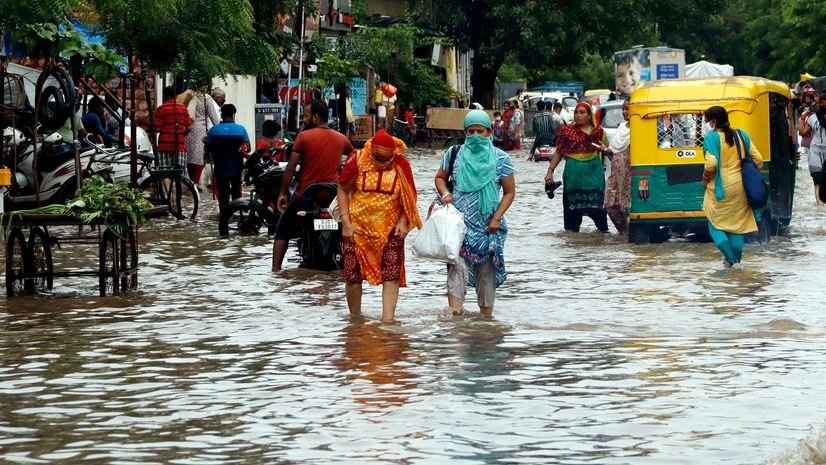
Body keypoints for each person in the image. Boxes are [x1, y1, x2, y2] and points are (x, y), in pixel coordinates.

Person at [434, 110, 516, 318]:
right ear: (465, 132)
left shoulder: (501, 159)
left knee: (486, 274)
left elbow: (509, 192)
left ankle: (485, 321)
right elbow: (440, 178)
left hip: (489, 225)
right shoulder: (454, 153)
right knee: (456, 268)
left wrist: (497, 217)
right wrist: (444, 194)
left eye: (480, 131)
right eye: (470, 132)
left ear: (489, 131)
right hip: (458, 224)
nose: (475, 136)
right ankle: (454, 318)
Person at [336, 129, 422, 322]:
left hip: (390, 229)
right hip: (357, 229)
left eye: (386, 160)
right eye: (378, 159)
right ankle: (355, 320)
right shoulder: (357, 160)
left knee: (391, 275)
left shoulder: (401, 164)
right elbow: (342, 189)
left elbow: (409, 196)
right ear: (371, 151)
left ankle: (388, 321)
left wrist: (403, 221)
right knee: (352, 276)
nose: (382, 164)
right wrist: (346, 223)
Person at [272, 99, 354, 272]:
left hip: (306, 196)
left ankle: (276, 271)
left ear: (316, 117)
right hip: (334, 196)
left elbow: (291, 167)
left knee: (283, 230)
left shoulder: (303, 137)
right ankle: (352, 268)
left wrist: (282, 194)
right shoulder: (342, 139)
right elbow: (355, 162)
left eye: (307, 116)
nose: (304, 119)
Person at [701, 105, 764, 267]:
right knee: (737, 226)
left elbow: (711, 164)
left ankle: (731, 259)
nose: (705, 124)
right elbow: (758, 160)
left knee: (715, 223)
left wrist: (705, 178)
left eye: (706, 121)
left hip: (720, 188)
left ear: (714, 122)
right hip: (741, 188)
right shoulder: (742, 135)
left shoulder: (711, 139)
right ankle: (734, 265)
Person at [545, 102, 609, 233]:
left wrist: (606, 150)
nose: (578, 115)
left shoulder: (599, 132)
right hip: (574, 176)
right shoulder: (567, 131)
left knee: (597, 209)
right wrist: (550, 171)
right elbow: (559, 152)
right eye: (576, 113)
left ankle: (603, 236)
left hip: (594, 175)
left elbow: (608, 151)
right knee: (573, 215)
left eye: (582, 112)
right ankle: (572, 242)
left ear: (589, 115)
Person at [205, 104, 250, 212]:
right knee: (236, 192)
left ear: (221, 115)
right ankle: (236, 214)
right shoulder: (241, 129)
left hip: (220, 167)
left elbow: (208, 149)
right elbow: (248, 148)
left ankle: (224, 215)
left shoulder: (213, 130)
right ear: (233, 115)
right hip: (237, 167)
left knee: (222, 193)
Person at [602, 99, 632, 233]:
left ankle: (630, 233)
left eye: (628, 109)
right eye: (623, 109)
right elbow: (614, 151)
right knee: (611, 205)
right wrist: (607, 151)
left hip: (629, 173)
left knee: (628, 205)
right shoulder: (621, 128)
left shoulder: (640, 129)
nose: (625, 112)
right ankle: (623, 232)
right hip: (615, 173)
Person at [183, 89, 221, 187]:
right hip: (201, 130)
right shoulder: (206, 97)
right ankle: (195, 182)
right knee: (199, 157)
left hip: (187, 128)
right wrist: (217, 129)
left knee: (189, 157)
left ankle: (191, 181)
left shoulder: (187, 96)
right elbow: (213, 117)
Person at [798, 90, 826, 205]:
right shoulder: (813, 117)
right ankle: (820, 205)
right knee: (817, 178)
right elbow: (802, 132)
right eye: (822, 103)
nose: (823, 105)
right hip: (816, 150)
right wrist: (801, 119)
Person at [155, 86, 193, 170]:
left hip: (164, 144)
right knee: (179, 172)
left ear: (165, 96)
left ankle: (167, 184)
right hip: (179, 144)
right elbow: (189, 127)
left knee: (165, 170)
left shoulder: (160, 109)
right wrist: (182, 134)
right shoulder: (183, 108)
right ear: (176, 95)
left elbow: (157, 129)